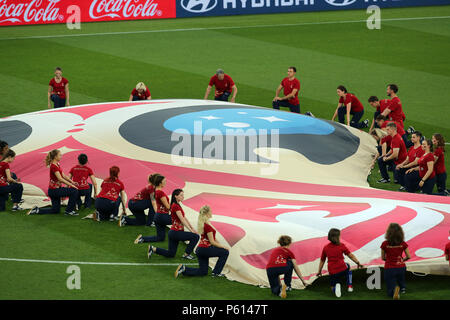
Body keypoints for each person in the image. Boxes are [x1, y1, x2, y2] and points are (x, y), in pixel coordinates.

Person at [174, 205, 230, 278]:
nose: (211, 212)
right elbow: (212, 242)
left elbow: (213, 239)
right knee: (225, 252)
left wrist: (220, 245)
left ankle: (184, 269)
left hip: (200, 250)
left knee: (202, 271)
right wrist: (224, 247)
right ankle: (216, 273)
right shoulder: (208, 226)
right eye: (210, 211)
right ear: (207, 213)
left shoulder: (204, 225)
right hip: (205, 250)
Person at [147, 189, 200, 260]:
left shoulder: (176, 205)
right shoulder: (176, 206)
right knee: (195, 237)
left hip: (173, 232)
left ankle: (153, 249)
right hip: (176, 232)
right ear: (176, 196)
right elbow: (182, 219)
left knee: (170, 254)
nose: (183, 197)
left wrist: (192, 228)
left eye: (183, 195)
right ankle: (186, 254)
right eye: (181, 195)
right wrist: (191, 230)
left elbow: (184, 217)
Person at [27, 149, 78, 216]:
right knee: (74, 191)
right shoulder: (54, 166)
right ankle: (69, 211)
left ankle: (37, 210)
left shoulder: (57, 164)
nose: (61, 156)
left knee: (55, 210)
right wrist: (72, 185)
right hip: (55, 191)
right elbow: (60, 179)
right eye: (60, 155)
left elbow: (63, 175)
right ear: (55, 157)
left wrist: (72, 182)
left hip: (53, 191)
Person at [316, 228, 363, 298]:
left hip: (332, 271)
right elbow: (351, 255)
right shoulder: (341, 245)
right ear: (337, 237)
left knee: (332, 287)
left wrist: (319, 271)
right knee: (348, 266)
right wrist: (358, 263)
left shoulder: (325, 247)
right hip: (342, 268)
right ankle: (349, 285)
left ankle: (335, 288)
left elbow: (322, 260)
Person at [135, 175, 171, 242]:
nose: (166, 182)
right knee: (179, 220)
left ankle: (142, 239)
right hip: (162, 216)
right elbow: (168, 207)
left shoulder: (156, 192)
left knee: (160, 238)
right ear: (160, 183)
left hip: (158, 216)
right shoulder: (160, 193)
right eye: (165, 181)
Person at [381, 223, 410, 300]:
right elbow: (408, 256)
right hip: (401, 266)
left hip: (389, 267)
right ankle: (402, 289)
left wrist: (388, 259)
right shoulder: (403, 243)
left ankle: (394, 291)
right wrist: (402, 260)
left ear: (388, 232)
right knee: (401, 279)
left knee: (390, 285)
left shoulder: (384, 244)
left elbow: (383, 258)